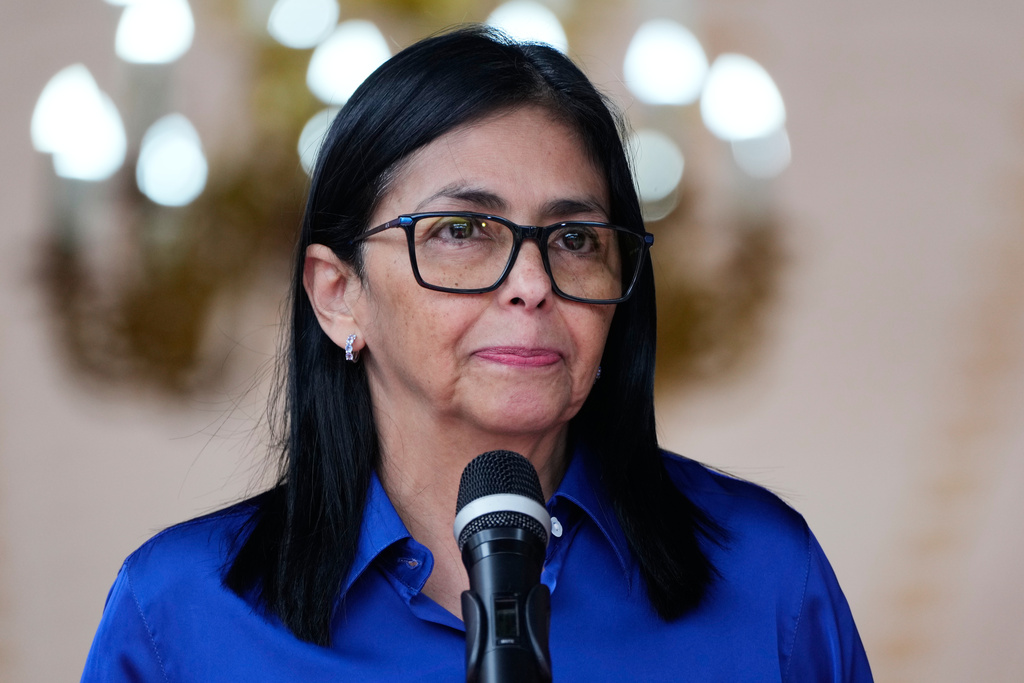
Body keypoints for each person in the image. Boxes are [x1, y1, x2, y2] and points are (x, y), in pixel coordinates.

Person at [82, 25, 872, 681]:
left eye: (574, 239)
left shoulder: (766, 579)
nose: (532, 283)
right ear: (336, 293)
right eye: (463, 231)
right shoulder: (181, 616)